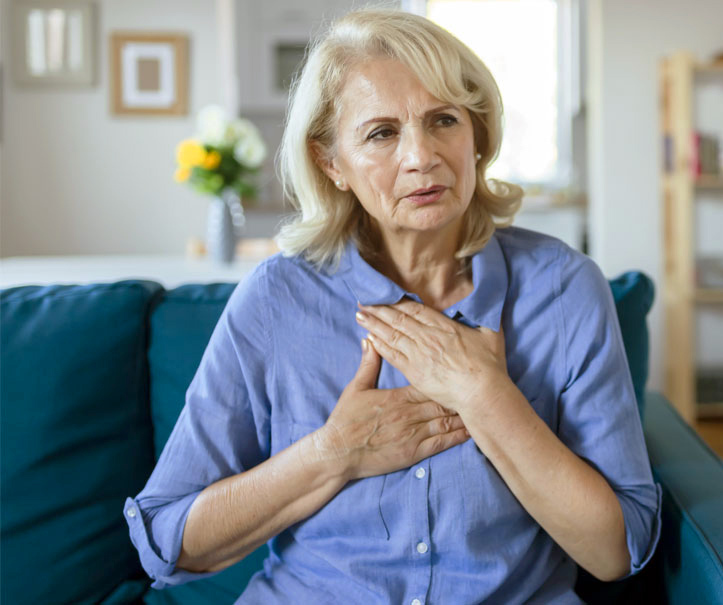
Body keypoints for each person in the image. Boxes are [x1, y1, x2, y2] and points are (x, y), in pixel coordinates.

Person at [123, 7, 660, 603]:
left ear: (476, 135)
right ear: (332, 163)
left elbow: (616, 551)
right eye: (382, 133)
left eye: (443, 120)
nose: (421, 156)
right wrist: (333, 454)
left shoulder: (564, 289)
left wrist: (487, 396)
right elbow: (169, 541)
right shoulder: (276, 299)